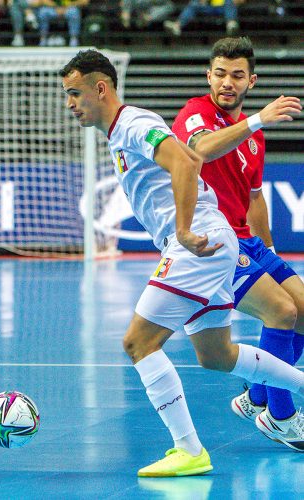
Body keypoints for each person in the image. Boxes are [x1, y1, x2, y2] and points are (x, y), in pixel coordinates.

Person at [59, 49, 304, 476]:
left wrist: (186, 231)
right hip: (212, 243)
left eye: (74, 93)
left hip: (197, 244)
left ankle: (190, 450)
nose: (70, 104)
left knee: (138, 343)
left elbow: (187, 161)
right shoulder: (121, 133)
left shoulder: (134, 124)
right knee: (216, 355)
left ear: (101, 88)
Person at [172, 37, 303, 451]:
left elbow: (254, 197)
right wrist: (257, 120)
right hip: (214, 243)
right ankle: (281, 417)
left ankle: (257, 395)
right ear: (208, 75)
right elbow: (199, 152)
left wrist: (270, 253)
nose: (228, 82)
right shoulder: (196, 114)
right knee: (281, 312)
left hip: (249, 242)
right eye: (221, 73)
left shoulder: (254, 137)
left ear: (251, 81)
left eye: (237, 75)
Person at [164, 0, 241, 37]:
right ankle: (177, 26)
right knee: (193, 4)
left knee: (229, 3)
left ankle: (231, 24)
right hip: (208, 7)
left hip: (223, 7)